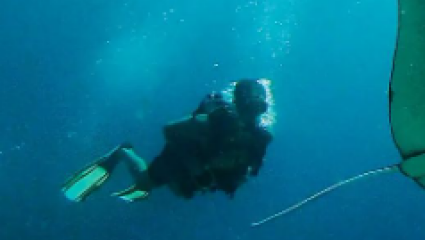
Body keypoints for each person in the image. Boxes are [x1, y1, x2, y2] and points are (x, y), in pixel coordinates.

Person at [62, 79, 273, 203]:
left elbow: (248, 168)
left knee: (181, 193)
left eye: (257, 110)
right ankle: (123, 152)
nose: (250, 116)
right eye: (247, 108)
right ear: (237, 104)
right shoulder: (212, 122)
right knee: (144, 183)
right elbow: (170, 130)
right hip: (183, 157)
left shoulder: (259, 139)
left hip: (206, 170)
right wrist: (197, 169)